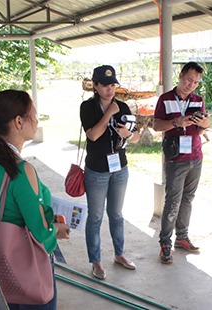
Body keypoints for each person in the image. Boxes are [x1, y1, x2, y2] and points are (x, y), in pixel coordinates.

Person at [0, 90, 69, 309]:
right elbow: (39, 232)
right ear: (19, 121)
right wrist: (56, 229)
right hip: (27, 264)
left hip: (2, 259)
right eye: (33, 115)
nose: (37, 120)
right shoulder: (21, 169)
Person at [79, 66, 139, 280]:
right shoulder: (88, 107)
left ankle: (119, 254)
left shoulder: (123, 106)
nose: (110, 89)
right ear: (95, 86)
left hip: (120, 168)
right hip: (96, 170)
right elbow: (93, 135)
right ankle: (96, 261)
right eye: (105, 85)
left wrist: (128, 134)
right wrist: (109, 114)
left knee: (117, 214)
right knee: (95, 217)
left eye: (113, 85)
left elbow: (137, 137)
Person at [152, 62, 211, 264]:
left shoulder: (198, 100)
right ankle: (165, 242)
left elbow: (202, 129)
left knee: (188, 199)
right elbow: (156, 125)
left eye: (196, 82)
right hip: (175, 158)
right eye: (189, 80)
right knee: (173, 200)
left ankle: (182, 237)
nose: (191, 85)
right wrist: (177, 122)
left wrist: (204, 123)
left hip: (195, 155)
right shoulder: (165, 99)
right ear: (180, 75)